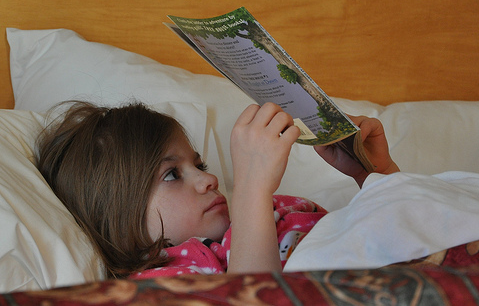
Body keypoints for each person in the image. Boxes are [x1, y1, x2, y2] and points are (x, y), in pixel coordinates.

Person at [35, 101, 399, 278]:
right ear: (116, 214)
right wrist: (251, 192)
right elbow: (251, 298)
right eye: (171, 175)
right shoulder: (162, 281)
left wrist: (376, 176)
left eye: (200, 165)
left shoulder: (280, 210)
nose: (207, 180)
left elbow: (392, 239)